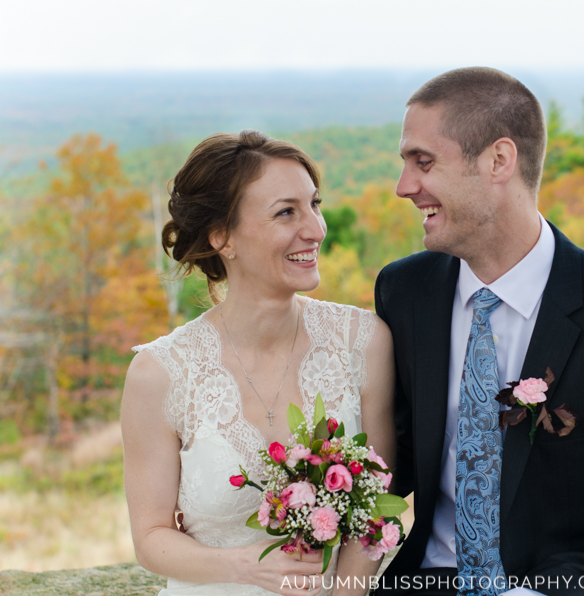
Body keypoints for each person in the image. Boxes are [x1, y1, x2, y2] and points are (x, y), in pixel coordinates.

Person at [373, 68, 584, 596]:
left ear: (499, 160)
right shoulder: (403, 292)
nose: (404, 186)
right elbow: (398, 460)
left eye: (424, 162)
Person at [121, 130, 395, 596]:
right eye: (287, 212)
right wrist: (246, 567)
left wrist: (343, 593)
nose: (315, 228)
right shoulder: (160, 373)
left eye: (315, 204)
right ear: (222, 236)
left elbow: (377, 506)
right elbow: (150, 539)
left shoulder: (364, 341)